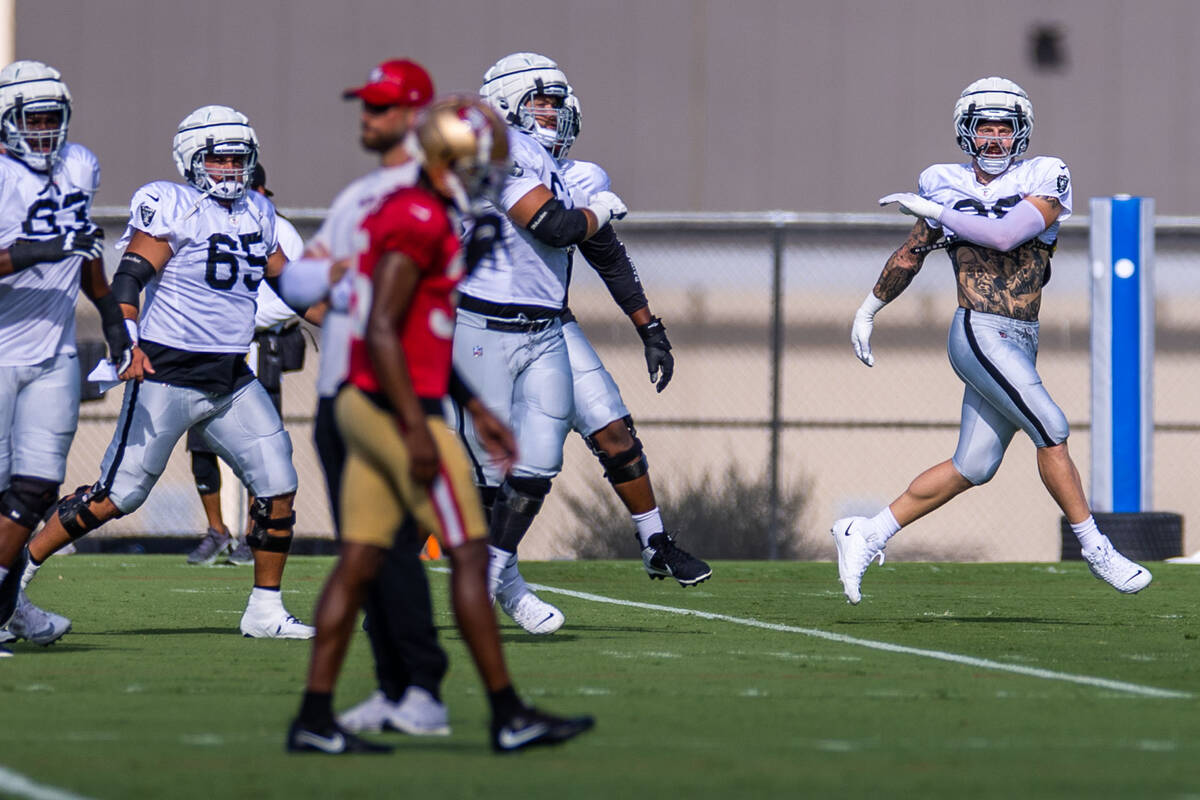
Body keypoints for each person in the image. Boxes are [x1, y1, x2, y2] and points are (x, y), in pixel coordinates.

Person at [287, 96, 594, 754]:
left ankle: (314, 717)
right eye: (483, 163)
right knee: (467, 547)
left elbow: (420, 332)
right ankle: (508, 714)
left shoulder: (438, 211)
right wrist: (422, 426)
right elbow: (382, 328)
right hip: (388, 408)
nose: (493, 175)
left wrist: (474, 406)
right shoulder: (419, 215)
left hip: (382, 400)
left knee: (362, 560)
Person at [833, 77, 1153, 603]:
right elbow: (912, 253)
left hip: (1021, 336)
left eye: (1006, 127)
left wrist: (936, 212)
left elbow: (1006, 234)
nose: (996, 138)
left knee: (973, 466)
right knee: (1051, 425)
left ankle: (865, 532)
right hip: (978, 329)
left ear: (1021, 133)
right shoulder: (943, 182)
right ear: (968, 131)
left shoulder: (1045, 175)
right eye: (986, 126)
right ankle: (1096, 549)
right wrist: (869, 310)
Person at [20, 104, 315, 638]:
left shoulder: (259, 210)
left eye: (237, 158)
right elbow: (129, 278)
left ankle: (265, 609)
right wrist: (126, 338)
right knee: (118, 496)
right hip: (166, 372)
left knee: (279, 485)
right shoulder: (173, 204)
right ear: (192, 160)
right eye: (218, 158)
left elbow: (292, 287)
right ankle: (17, 573)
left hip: (230, 377)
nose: (229, 169)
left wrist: (354, 322)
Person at [278, 58, 454, 736]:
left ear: (413, 115)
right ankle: (395, 688)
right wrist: (346, 269)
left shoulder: (428, 192)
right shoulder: (359, 195)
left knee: (392, 544)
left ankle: (422, 691)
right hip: (339, 391)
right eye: (367, 105)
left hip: (392, 388)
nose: (368, 117)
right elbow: (295, 285)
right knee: (370, 547)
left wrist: (341, 274)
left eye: (381, 107)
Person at [549, 84, 711, 586]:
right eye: (542, 103)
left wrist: (651, 330)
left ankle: (654, 542)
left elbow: (609, 258)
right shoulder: (484, 179)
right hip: (476, 329)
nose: (553, 118)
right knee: (472, 458)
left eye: (558, 107)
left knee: (614, 429)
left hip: (550, 321)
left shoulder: (574, 178)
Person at [0, 60, 130, 654]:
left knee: (34, 491)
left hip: (52, 352)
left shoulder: (79, 166)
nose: (47, 131)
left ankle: (4, 607)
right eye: (36, 119)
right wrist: (41, 248)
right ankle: (9, 607)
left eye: (55, 119)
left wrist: (111, 320)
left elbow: (82, 251)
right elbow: (50, 245)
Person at [185, 163, 308, 567]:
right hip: (208, 346)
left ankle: (256, 533)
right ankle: (217, 530)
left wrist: (239, 318)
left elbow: (292, 293)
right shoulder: (203, 219)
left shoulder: (275, 226)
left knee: (260, 444)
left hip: (255, 346)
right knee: (200, 442)